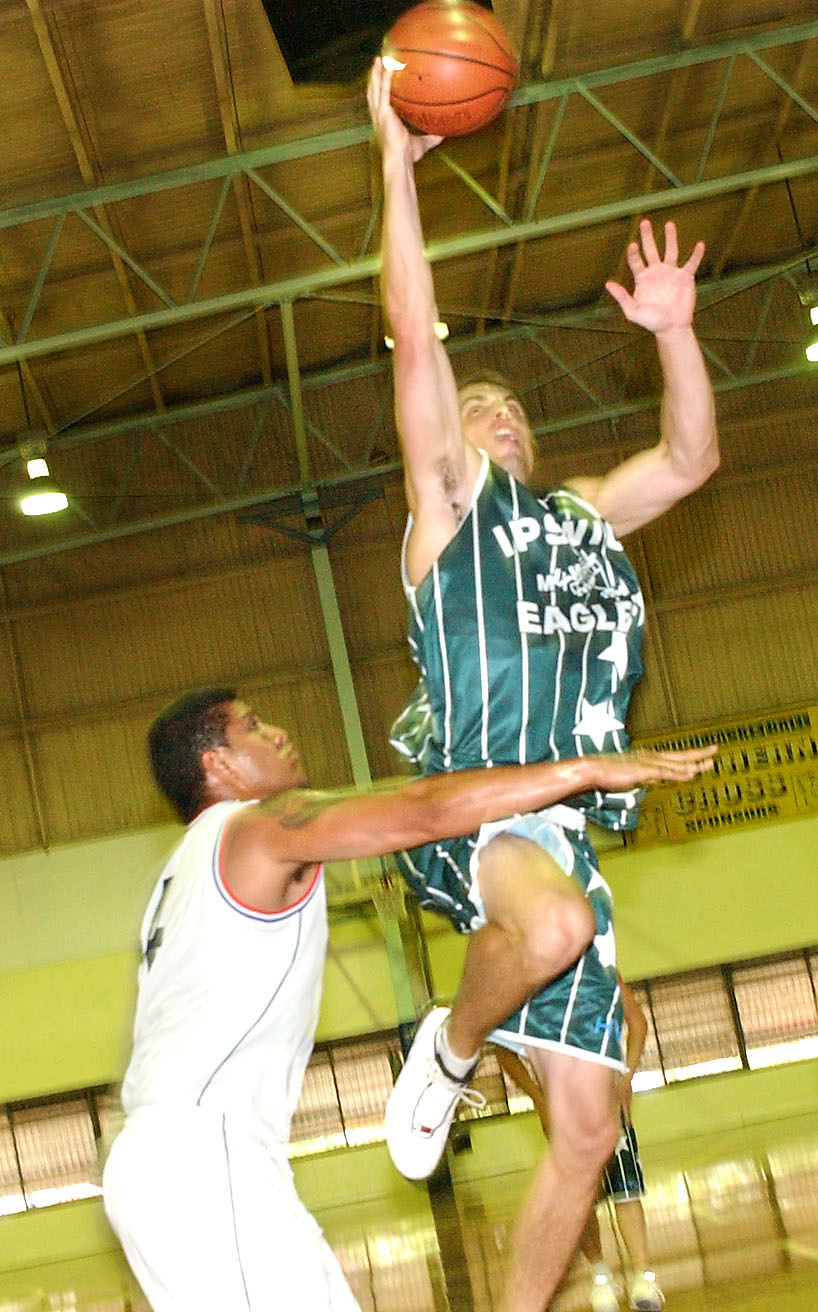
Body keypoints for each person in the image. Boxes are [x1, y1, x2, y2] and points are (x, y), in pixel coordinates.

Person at [368, 54, 719, 1312]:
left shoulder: (571, 518)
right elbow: (414, 331)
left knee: (585, 1125)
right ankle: (448, 1048)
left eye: (511, 404)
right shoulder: (448, 509)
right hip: (473, 805)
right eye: (474, 404)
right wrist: (394, 171)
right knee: (554, 927)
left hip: (562, 827)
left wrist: (676, 334)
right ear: (445, 440)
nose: (496, 412)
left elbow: (685, 459)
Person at [101, 686, 713, 1312]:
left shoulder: (183, 871)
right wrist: (586, 769)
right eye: (254, 728)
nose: (280, 732)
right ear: (219, 766)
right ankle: (448, 1053)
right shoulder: (255, 832)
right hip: (202, 1161)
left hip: (173, 1164)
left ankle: (449, 1051)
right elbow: (421, 812)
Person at [496, 978, 665, 1311]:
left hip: (607, 1104)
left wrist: (626, 1076)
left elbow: (638, 1023)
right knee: (581, 1199)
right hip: (563, 1113)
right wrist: (539, 1098)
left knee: (625, 1188)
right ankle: (600, 1276)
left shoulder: (601, 975)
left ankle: (644, 1278)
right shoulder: (524, 986)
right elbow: (504, 1052)